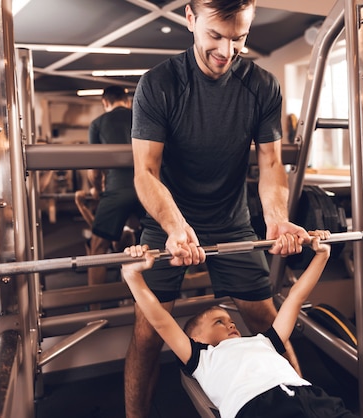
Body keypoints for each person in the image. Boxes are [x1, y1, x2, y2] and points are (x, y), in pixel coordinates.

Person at [127, 0, 311, 415]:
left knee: (270, 324)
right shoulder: (159, 84)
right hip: (167, 221)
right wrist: (175, 225)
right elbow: (146, 172)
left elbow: (269, 163)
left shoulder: (262, 86)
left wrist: (277, 219)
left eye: (239, 38)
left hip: (231, 222)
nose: (227, 51)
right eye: (215, 36)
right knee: (146, 336)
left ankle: (303, 400)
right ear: (190, 19)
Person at [121, 231, 358, 418]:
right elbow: (161, 321)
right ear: (197, 339)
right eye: (219, 321)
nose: (231, 324)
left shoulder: (263, 341)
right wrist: (133, 276)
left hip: (312, 397)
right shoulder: (201, 358)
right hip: (257, 408)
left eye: (230, 320)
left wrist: (322, 255)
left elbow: (295, 298)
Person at [86, 86, 143, 310]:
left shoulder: (98, 123)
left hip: (116, 190)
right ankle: (143, 302)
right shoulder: (142, 115)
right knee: (148, 244)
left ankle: (93, 308)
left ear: (104, 102)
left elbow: (94, 167)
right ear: (127, 100)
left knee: (98, 247)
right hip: (147, 189)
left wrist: (97, 190)